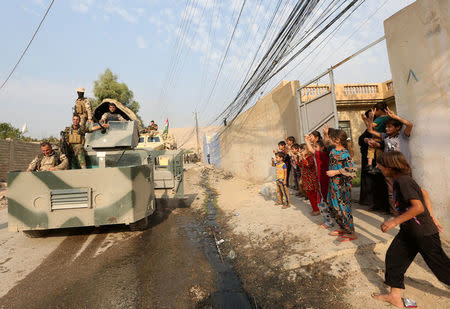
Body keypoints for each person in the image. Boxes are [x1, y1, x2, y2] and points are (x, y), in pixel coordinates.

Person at [372, 151, 449, 308]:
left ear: (390, 165)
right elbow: (424, 194)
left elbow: (418, 207)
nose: (378, 166)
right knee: (394, 257)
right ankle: (395, 296)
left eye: (380, 163)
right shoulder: (400, 180)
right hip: (409, 231)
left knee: (442, 268)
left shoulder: (403, 181)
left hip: (424, 234)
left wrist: (394, 221)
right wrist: (432, 216)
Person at [363, 106, 413, 214]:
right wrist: (371, 118)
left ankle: (407, 213)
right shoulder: (385, 136)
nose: (386, 129)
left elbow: (409, 124)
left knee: (405, 191)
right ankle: (395, 212)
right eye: (386, 127)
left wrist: (395, 117)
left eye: (390, 127)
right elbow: (370, 130)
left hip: (401, 168)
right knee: (391, 191)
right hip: (388, 170)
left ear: (398, 127)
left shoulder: (403, 136)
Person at [323, 126, 357, 242]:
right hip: (333, 185)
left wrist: (335, 172)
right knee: (333, 206)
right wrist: (326, 134)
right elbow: (326, 143)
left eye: (332, 138)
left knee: (343, 209)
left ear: (337, 140)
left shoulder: (345, 154)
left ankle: (351, 233)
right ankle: (342, 228)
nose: (330, 139)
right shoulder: (333, 150)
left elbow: (351, 170)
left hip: (342, 186)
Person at [305, 134, 332, 228]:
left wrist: (307, 140)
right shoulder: (324, 154)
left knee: (323, 202)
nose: (314, 148)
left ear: (322, 148)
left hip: (323, 181)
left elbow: (311, 150)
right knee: (322, 201)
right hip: (322, 180)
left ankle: (328, 222)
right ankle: (328, 221)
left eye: (316, 146)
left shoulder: (322, 154)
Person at [365, 102, 389, 173]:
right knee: (379, 153)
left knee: (371, 150)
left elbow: (370, 127)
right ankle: (378, 166)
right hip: (384, 138)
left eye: (374, 110)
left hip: (376, 137)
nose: (373, 112)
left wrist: (369, 118)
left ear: (379, 110)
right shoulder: (388, 117)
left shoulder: (379, 119)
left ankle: (369, 165)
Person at [298, 143, 320, 216]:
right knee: (310, 195)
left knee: (313, 195)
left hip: (311, 180)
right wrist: (299, 159)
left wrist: (303, 158)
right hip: (306, 179)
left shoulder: (311, 157)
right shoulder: (305, 158)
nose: (302, 151)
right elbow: (301, 166)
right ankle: (315, 209)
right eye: (301, 150)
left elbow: (308, 165)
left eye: (303, 149)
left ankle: (316, 210)